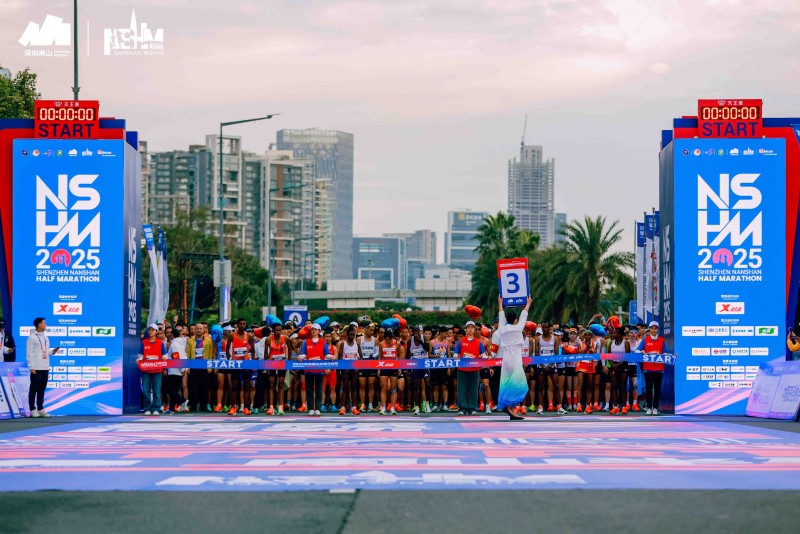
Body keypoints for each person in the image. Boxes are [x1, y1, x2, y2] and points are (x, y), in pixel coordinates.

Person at [496, 296, 532, 420]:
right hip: (515, 360)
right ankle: (509, 407)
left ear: (507, 320)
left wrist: (500, 303)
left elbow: (501, 316)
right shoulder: (518, 328)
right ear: (516, 320)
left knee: (508, 383)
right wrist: (528, 303)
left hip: (506, 360)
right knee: (519, 384)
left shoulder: (502, 329)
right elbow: (524, 315)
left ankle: (511, 409)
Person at [26, 317, 59, 417]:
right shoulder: (32, 338)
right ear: (39, 325)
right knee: (33, 389)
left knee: (42, 389)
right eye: (44, 323)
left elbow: (46, 351)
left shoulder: (46, 337)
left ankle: (40, 409)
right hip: (36, 367)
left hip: (45, 366)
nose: (45, 325)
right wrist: (31, 366)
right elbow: (29, 353)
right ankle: (32, 409)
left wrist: (52, 352)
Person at [453, 321, 487, 415]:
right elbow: (455, 354)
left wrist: (488, 358)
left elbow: (483, 356)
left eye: (472, 327)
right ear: (466, 329)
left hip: (475, 369)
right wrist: (456, 357)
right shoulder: (461, 342)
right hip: (462, 369)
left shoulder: (478, 343)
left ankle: (472, 408)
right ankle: (462, 408)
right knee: (462, 389)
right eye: (468, 327)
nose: (470, 329)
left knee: (474, 389)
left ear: (475, 330)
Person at [137, 324, 168, 416]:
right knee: (146, 390)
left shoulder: (160, 343)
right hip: (146, 370)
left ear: (156, 331)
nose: (151, 331)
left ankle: (156, 408)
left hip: (157, 370)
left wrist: (163, 361)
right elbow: (140, 355)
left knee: (156, 390)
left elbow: (165, 356)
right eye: (149, 330)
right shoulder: (144, 342)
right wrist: (139, 360)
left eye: (153, 330)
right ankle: (147, 408)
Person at [299, 323, 329, 416]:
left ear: (319, 331)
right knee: (309, 390)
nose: (313, 331)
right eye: (312, 329)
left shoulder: (323, 342)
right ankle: (311, 408)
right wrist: (301, 357)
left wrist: (331, 357)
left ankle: (318, 408)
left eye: (315, 329)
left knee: (319, 390)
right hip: (309, 369)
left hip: (320, 369)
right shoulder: (306, 342)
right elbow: (304, 354)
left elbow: (326, 354)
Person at [637, 321, 666, 415]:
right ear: (649, 329)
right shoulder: (645, 340)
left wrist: (671, 357)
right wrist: (642, 351)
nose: (654, 330)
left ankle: (655, 408)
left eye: (655, 328)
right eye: (652, 328)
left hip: (659, 369)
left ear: (658, 329)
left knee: (657, 389)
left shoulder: (662, 340)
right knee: (648, 389)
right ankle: (649, 407)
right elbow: (637, 350)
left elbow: (665, 353)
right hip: (648, 368)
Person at [227, 318, 255, 415]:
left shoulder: (249, 335)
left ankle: (246, 407)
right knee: (234, 386)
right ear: (237, 325)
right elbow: (227, 348)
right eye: (240, 324)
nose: (242, 325)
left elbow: (253, 349)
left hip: (245, 363)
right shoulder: (232, 335)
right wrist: (229, 360)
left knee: (246, 385)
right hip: (235, 363)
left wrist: (252, 362)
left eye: (244, 324)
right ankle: (233, 407)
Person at [337, 326, 362, 415]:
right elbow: (340, 357)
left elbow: (360, 357)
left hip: (354, 369)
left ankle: (354, 408)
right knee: (345, 388)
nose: (352, 336)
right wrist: (343, 366)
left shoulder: (357, 344)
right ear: (347, 335)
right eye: (350, 335)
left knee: (354, 388)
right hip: (345, 368)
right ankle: (342, 407)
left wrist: (358, 367)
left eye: (353, 335)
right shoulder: (343, 344)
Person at [167, 323, 189, 412]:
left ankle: (182, 401)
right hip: (179, 370)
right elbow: (184, 356)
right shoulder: (180, 344)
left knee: (170, 389)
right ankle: (171, 408)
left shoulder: (174, 345)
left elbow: (176, 357)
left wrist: (182, 369)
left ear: (172, 335)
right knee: (175, 390)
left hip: (174, 370)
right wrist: (184, 368)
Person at [378, 328, 401, 415]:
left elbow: (399, 355)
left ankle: (392, 408)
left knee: (393, 388)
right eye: (386, 339)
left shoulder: (397, 343)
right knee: (383, 387)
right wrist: (379, 368)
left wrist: (399, 367)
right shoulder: (381, 344)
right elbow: (380, 357)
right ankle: (383, 407)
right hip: (384, 366)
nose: (387, 341)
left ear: (392, 337)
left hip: (394, 366)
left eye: (389, 339)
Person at [358, 323, 379, 412]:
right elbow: (357, 350)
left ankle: (370, 404)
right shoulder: (359, 339)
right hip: (362, 363)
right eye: (370, 330)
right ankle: (362, 404)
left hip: (371, 363)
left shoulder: (375, 340)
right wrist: (360, 357)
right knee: (362, 385)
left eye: (373, 330)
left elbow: (377, 352)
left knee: (371, 384)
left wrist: (372, 356)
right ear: (366, 329)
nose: (372, 332)